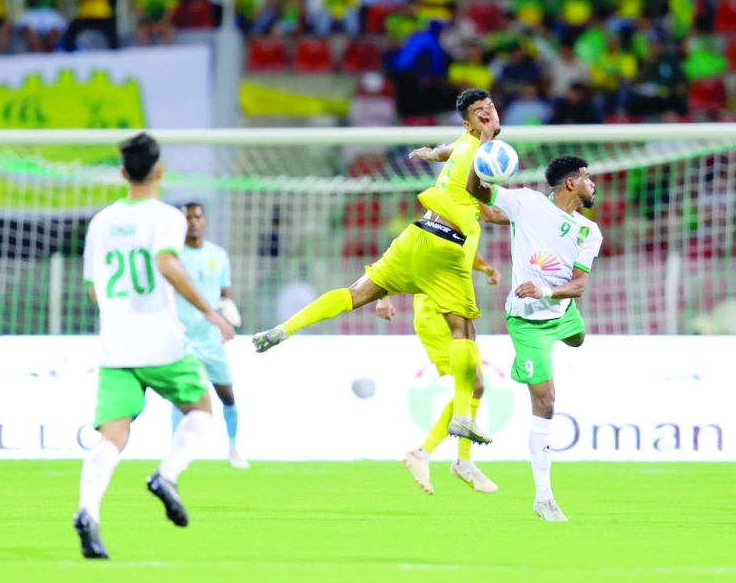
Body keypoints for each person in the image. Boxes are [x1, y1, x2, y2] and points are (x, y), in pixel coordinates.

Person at [252, 88, 504, 447]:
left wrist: (430, 153)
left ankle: (283, 330)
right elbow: (487, 206)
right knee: (464, 332)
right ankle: (463, 415)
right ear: (469, 123)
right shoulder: (481, 150)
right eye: (480, 113)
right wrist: (525, 211)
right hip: (445, 249)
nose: (488, 114)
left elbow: (446, 150)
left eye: (490, 108)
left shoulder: (463, 142)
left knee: (357, 293)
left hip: (415, 235)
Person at [74, 133, 235, 559]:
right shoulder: (167, 217)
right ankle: (166, 475)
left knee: (113, 437)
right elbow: (166, 263)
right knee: (202, 409)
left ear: (123, 172)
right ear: (159, 171)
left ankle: (88, 511)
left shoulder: (101, 222)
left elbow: (93, 290)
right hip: (162, 340)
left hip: (116, 344)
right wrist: (210, 312)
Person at [466, 155, 603, 522]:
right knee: (546, 401)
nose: (594, 183)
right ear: (571, 183)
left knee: (577, 339)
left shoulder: (589, 231)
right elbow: (480, 194)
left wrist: (543, 290)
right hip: (527, 322)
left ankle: (570, 333)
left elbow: (578, 286)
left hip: (560, 310)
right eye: (588, 177)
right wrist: (471, 159)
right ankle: (543, 498)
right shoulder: (526, 202)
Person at [377, 208, 505, 495]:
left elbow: (470, 250)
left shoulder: (469, 215)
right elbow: (402, 254)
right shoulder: (441, 214)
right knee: (473, 385)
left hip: (456, 314)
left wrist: (484, 268)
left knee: (475, 387)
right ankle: (435, 456)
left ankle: (457, 460)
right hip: (435, 316)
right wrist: (383, 294)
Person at [172, 202, 249, 469]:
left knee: (227, 395)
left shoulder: (218, 255)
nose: (192, 222)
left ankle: (233, 447)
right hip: (183, 338)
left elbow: (224, 296)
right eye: (187, 218)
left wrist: (230, 311)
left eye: (197, 217)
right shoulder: (172, 256)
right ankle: (176, 452)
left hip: (212, 339)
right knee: (182, 395)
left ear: (205, 222)